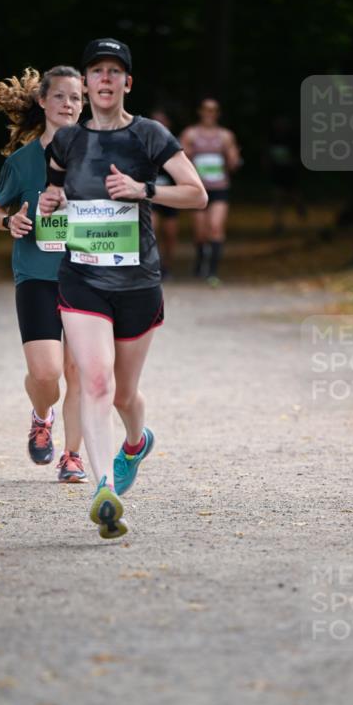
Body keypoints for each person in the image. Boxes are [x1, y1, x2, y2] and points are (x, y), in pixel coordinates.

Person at [39, 38, 207, 539]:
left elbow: (197, 194)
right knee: (95, 381)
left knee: (125, 395)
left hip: (137, 282)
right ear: (86, 83)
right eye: (97, 72)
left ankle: (135, 442)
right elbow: (56, 192)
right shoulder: (66, 141)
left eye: (115, 72)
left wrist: (144, 190)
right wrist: (51, 203)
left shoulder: (150, 135)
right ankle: (104, 491)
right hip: (82, 277)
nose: (105, 79)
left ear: (127, 83)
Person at [0, 66, 87, 481]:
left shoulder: (96, 156)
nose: (68, 104)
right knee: (47, 375)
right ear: (43, 101)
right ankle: (42, 415)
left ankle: (73, 456)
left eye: (76, 98)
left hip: (85, 277)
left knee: (79, 373)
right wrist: (11, 224)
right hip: (37, 277)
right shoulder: (22, 162)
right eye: (60, 96)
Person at [180, 98, 242, 285]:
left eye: (213, 110)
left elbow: (233, 163)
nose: (209, 113)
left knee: (216, 228)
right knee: (200, 232)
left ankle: (212, 271)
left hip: (219, 188)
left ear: (217, 113)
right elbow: (180, 160)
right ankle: (200, 260)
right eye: (206, 109)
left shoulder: (225, 136)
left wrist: (233, 159)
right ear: (200, 111)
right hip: (198, 189)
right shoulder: (190, 134)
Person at [150, 109, 179, 279]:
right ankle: (155, 265)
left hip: (170, 196)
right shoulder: (143, 142)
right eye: (155, 121)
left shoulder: (175, 144)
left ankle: (167, 265)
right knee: (152, 229)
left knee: (170, 233)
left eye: (162, 121)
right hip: (150, 194)